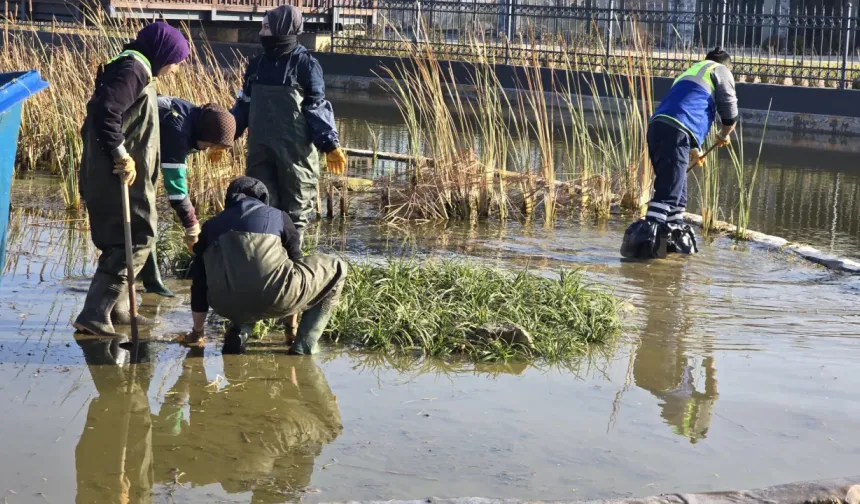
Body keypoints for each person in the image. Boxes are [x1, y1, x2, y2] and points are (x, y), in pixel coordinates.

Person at [75, 22, 189, 336]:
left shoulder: (136, 66)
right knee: (136, 239)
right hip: (116, 175)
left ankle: (120, 309)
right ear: (162, 53)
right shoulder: (133, 69)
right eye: (176, 60)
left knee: (127, 238)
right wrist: (121, 154)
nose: (176, 68)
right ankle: (95, 314)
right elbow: (106, 111)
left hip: (118, 174)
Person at [186, 176, 347, 355]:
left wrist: (197, 332)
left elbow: (199, 283)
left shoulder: (210, 226)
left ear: (229, 198)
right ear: (263, 198)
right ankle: (305, 344)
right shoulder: (279, 217)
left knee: (246, 283)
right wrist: (291, 326)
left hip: (224, 304)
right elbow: (295, 267)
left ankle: (240, 330)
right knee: (338, 268)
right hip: (276, 296)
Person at [231, 4, 346, 238]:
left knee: (295, 211)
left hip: (295, 156)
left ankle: (293, 264)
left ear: (282, 29)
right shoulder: (257, 65)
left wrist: (329, 144)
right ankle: (266, 264)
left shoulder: (306, 65)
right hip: (260, 151)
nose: (262, 32)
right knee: (260, 206)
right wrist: (224, 137)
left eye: (266, 27)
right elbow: (244, 104)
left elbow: (316, 106)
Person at [621, 47, 738, 259]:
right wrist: (724, 133)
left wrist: (693, 149)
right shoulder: (720, 69)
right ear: (727, 65)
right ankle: (643, 252)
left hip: (660, 128)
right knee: (669, 192)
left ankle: (672, 243)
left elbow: (684, 109)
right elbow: (729, 110)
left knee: (678, 193)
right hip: (677, 132)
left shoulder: (691, 72)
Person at [137, 96, 237, 298]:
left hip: (140, 153)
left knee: (145, 219)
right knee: (141, 219)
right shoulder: (177, 128)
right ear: (204, 133)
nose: (207, 150)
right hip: (119, 153)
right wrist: (192, 225)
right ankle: (146, 282)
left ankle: (148, 280)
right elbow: (176, 190)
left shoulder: (193, 116)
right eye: (209, 145)